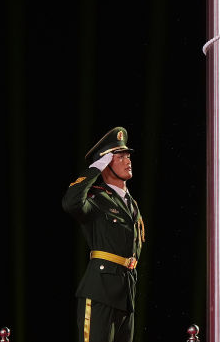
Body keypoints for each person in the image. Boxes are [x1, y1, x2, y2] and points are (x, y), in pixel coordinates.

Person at [62, 127, 144, 342]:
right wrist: (94, 170)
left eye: (128, 156)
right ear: (105, 163)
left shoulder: (131, 204)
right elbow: (70, 203)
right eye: (120, 157)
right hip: (100, 292)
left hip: (126, 293)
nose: (128, 161)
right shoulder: (97, 200)